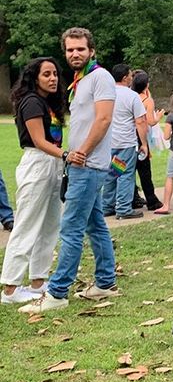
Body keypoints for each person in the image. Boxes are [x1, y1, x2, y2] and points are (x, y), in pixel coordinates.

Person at [23, 28, 119, 314]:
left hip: (87, 165)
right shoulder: (82, 79)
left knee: (71, 228)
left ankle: (57, 292)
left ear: (92, 50)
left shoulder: (100, 77)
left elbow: (103, 120)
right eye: (70, 50)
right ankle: (105, 282)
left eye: (80, 49)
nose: (75, 54)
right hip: (82, 165)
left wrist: (82, 153)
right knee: (94, 224)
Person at [1, 58, 66, 305]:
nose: (53, 78)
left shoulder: (47, 103)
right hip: (38, 163)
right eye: (46, 74)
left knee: (50, 225)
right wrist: (67, 155)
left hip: (53, 163)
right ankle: (10, 289)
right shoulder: (31, 102)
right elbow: (39, 141)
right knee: (27, 225)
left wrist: (61, 157)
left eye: (55, 74)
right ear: (34, 77)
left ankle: (38, 280)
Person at [102, 64, 148, 219]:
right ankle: (123, 208)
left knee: (112, 173)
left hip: (109, 142)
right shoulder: (132, 96)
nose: (131, 78)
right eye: (130, 75)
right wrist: (144, 144)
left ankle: (107, 205)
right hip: (125, 142)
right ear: (124, 78)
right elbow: (140, 121)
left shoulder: (106, 94)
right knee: (125, 175)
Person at [131, 69, 164, 211]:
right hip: (140, 136)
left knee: (128, 170)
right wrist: (158, 117)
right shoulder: (147, 100)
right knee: (144, 170)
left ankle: (132, 198)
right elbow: (150, 121)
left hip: (127, 136)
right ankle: (152, 200)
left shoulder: (130, 96)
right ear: (146, 85)